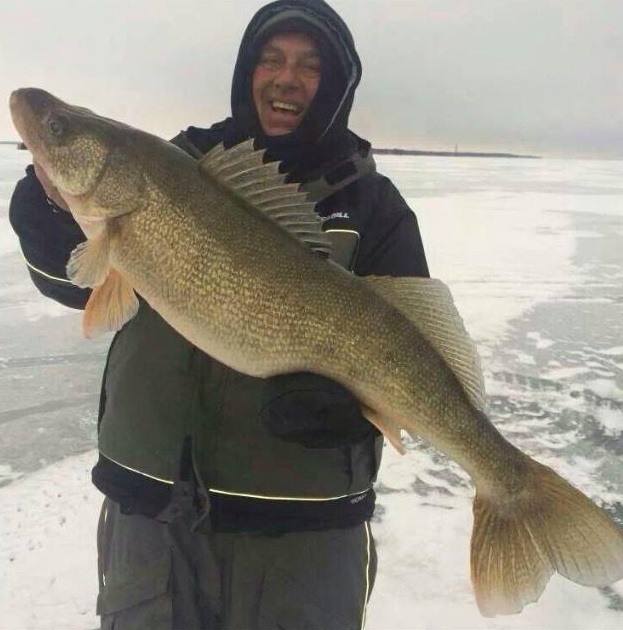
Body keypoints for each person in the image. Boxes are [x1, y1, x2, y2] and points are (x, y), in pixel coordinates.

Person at [9, 0, 430, 628]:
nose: (286, 77)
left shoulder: (373, 205)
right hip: (151, 518)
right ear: (246, 72)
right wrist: (44, 212)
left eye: (310, 66)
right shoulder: (180, 163)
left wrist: (353, 413)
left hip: (303, 540)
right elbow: (72, 286)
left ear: (338, 86)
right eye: (271, 59)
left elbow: (413, 348)